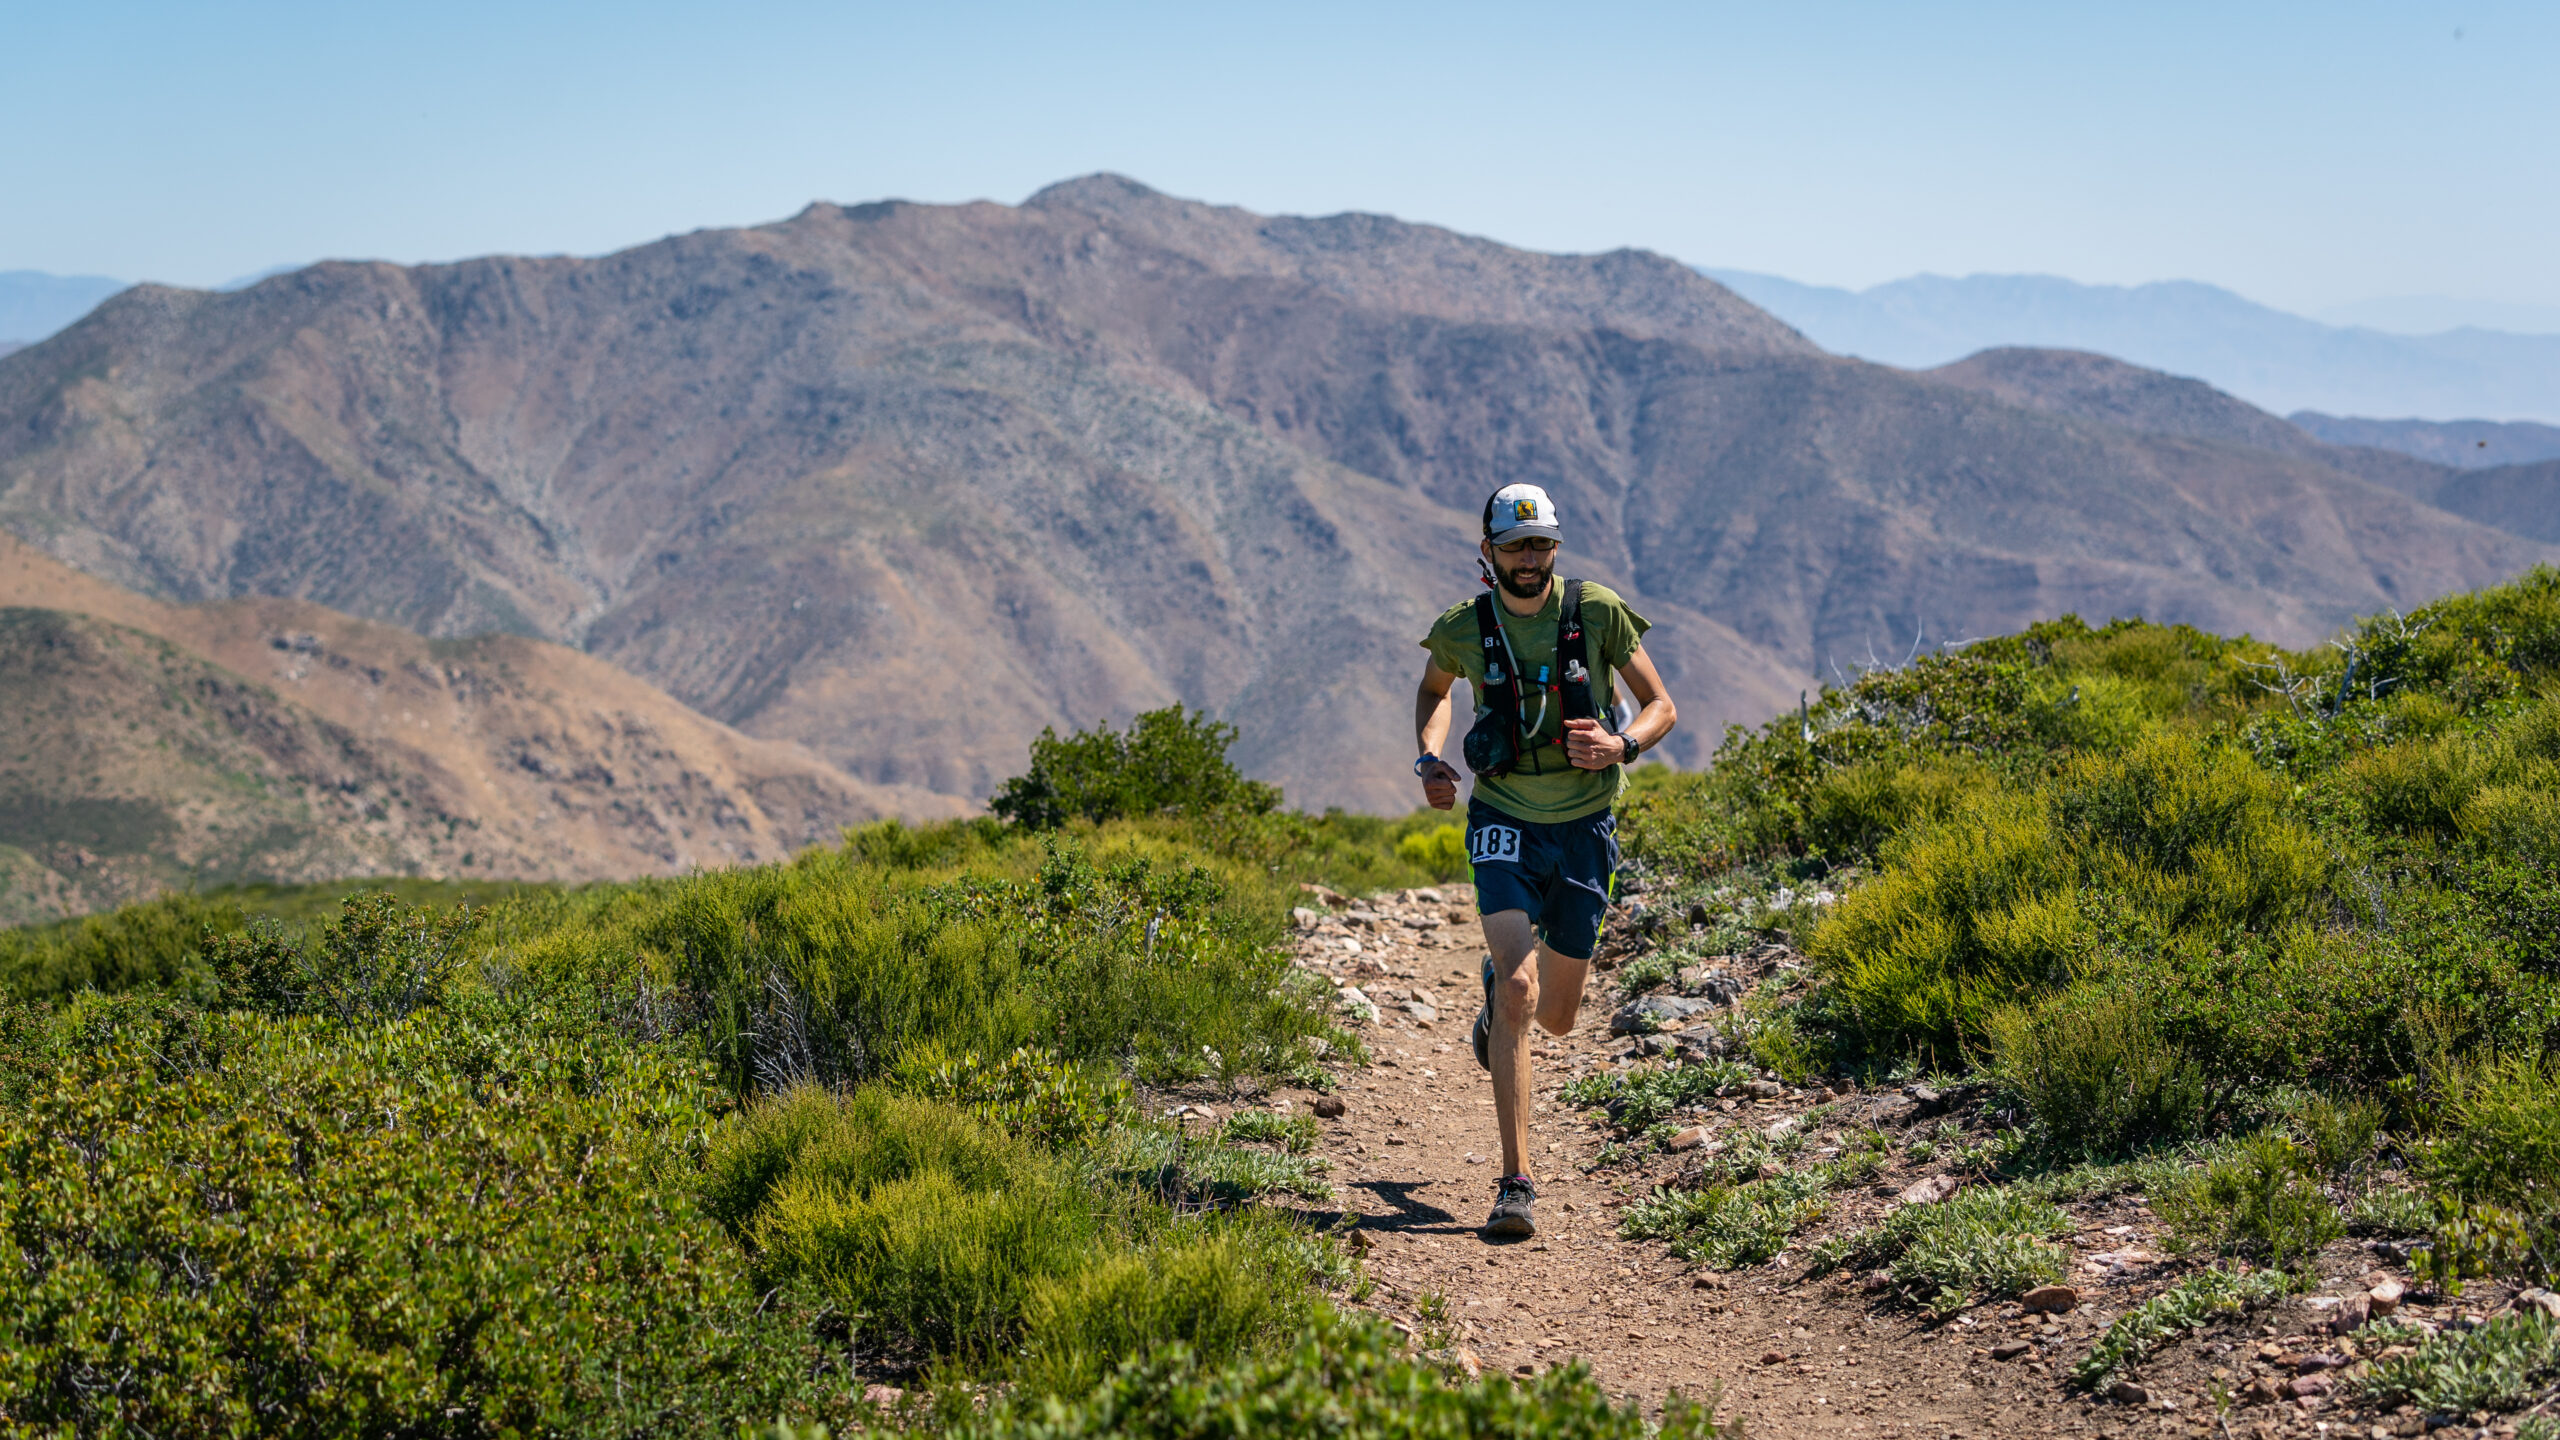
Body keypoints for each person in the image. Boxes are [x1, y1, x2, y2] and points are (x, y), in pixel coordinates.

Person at [1412, 484, 1677, 1239]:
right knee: (1524, 994)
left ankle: (1499, 994)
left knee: (1557, 1017)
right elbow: (1434, 690)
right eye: (1515, 546)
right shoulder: (1464, 627)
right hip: (1502, 818)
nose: (1529, 560)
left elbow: (1660, 703)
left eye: (1542, 545)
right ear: (1487, 552)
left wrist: (1623, 744)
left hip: (1585, 826)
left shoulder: (1595, 611)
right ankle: (1515, 1184)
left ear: (1555, 548)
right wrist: (1429, 758)